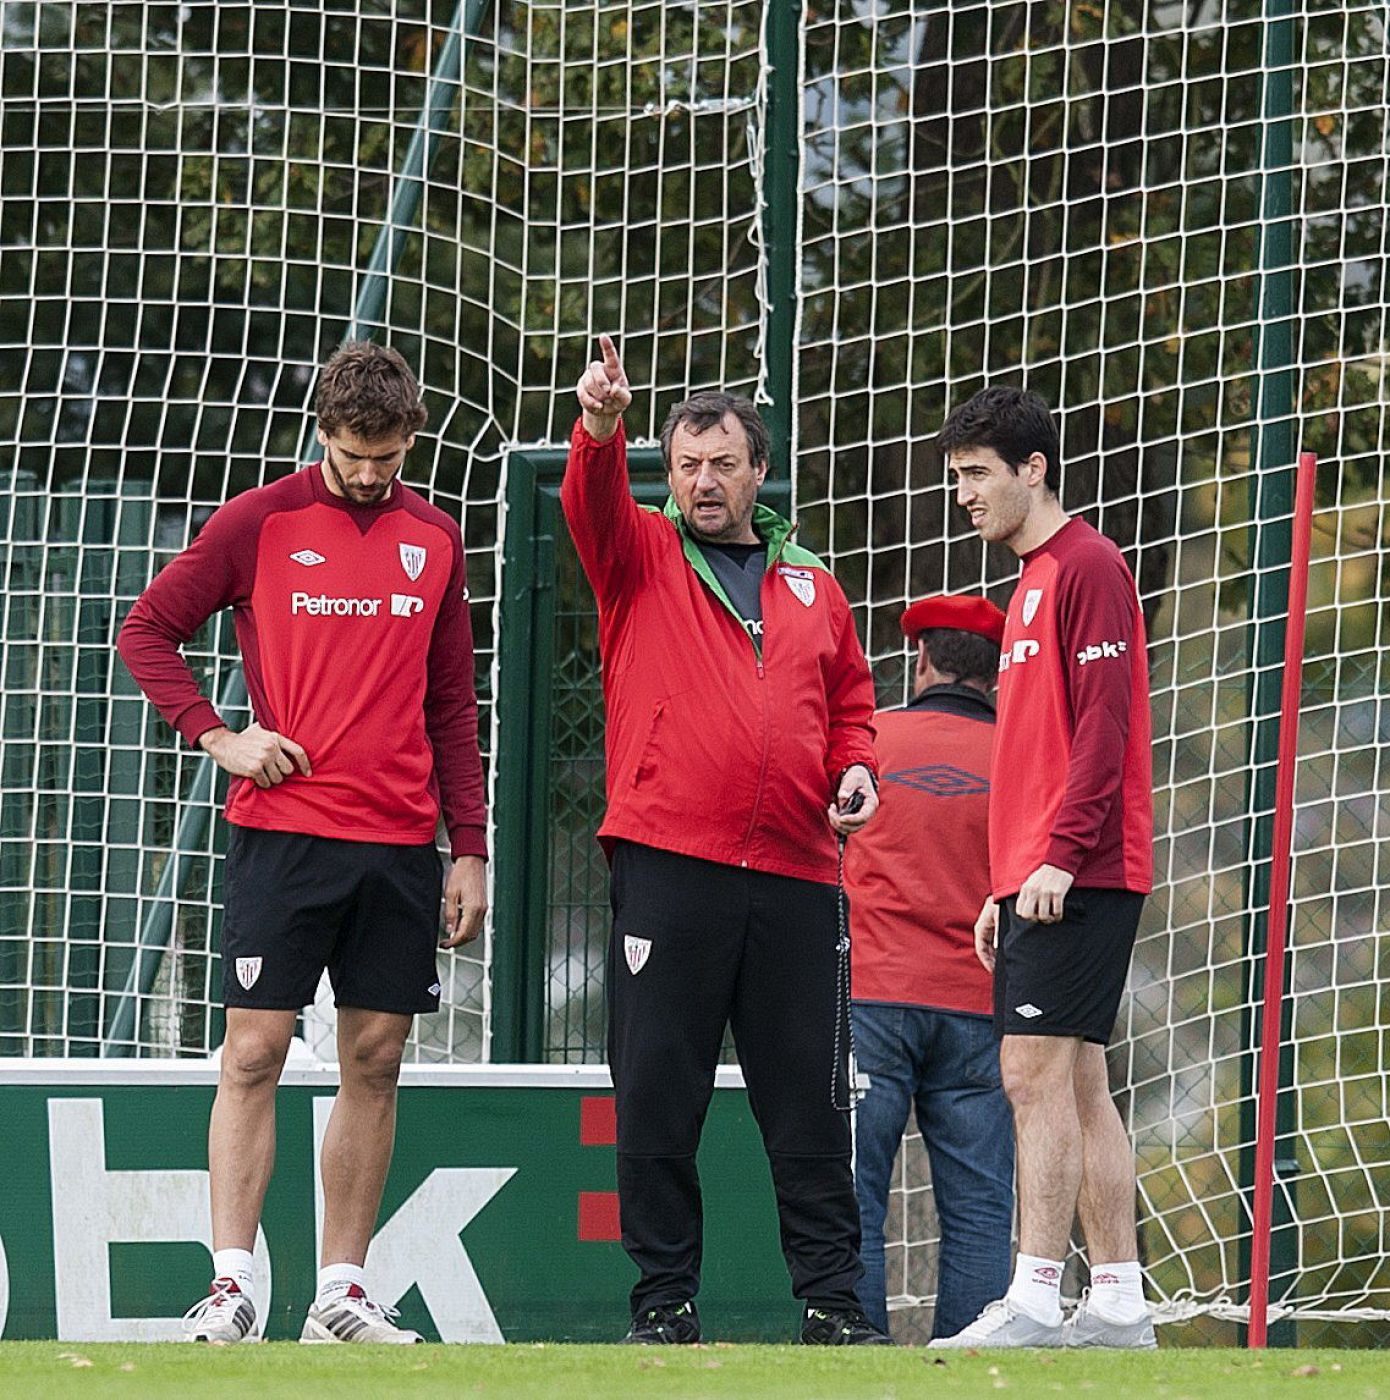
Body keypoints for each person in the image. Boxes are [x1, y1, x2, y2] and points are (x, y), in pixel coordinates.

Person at [117, 342, 488, 1344]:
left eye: (388, 453)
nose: (370, 472)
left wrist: (471, 846)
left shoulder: (436, 537)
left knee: (375, 1055)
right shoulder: (258, 520)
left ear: (411, 435)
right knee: (256, 1050)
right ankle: (231, 1285)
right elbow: (147, 629)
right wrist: (221, 735)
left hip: (401, 841)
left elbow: (452, 702)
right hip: (281, 835)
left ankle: (341, 1291)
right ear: (322, 431)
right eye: (353, 451)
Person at [562, 335, 892, 1346]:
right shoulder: (640, 553)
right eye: (686, 464)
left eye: (721, 463)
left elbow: (851, 704)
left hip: (797, 871)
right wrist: (602, 424)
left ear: (758, 471)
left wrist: (857, 767)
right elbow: (591, 501)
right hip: (671, 863)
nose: (702, 481)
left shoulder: (813, 584)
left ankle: (834, 1307)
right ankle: (663, 1302)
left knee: (808, 1101)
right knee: (659, 1092)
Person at [927, 385, 1156, 1350]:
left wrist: (1056, 857)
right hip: (1039, 873)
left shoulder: (1088, 565)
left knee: (1028, 1075)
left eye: (980, 476)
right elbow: (1040, 750)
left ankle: (1031, 1297)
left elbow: (1105, 729)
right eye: (956, 479)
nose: (966, 496)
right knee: (1078, 1083)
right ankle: (1116, 1302)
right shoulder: (1027, 583)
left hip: (1082, 869)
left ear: (1035, 470)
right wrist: (1001, 878)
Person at [844, 593, 1014, 1341]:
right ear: (997, 672)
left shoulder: (870, 740)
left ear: (922, 659)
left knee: (852, 1196)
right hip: (980, 1004)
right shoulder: (1021, 754)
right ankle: (970, 1365)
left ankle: (857, 1358)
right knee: (980, 1206)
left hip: (873, 995)